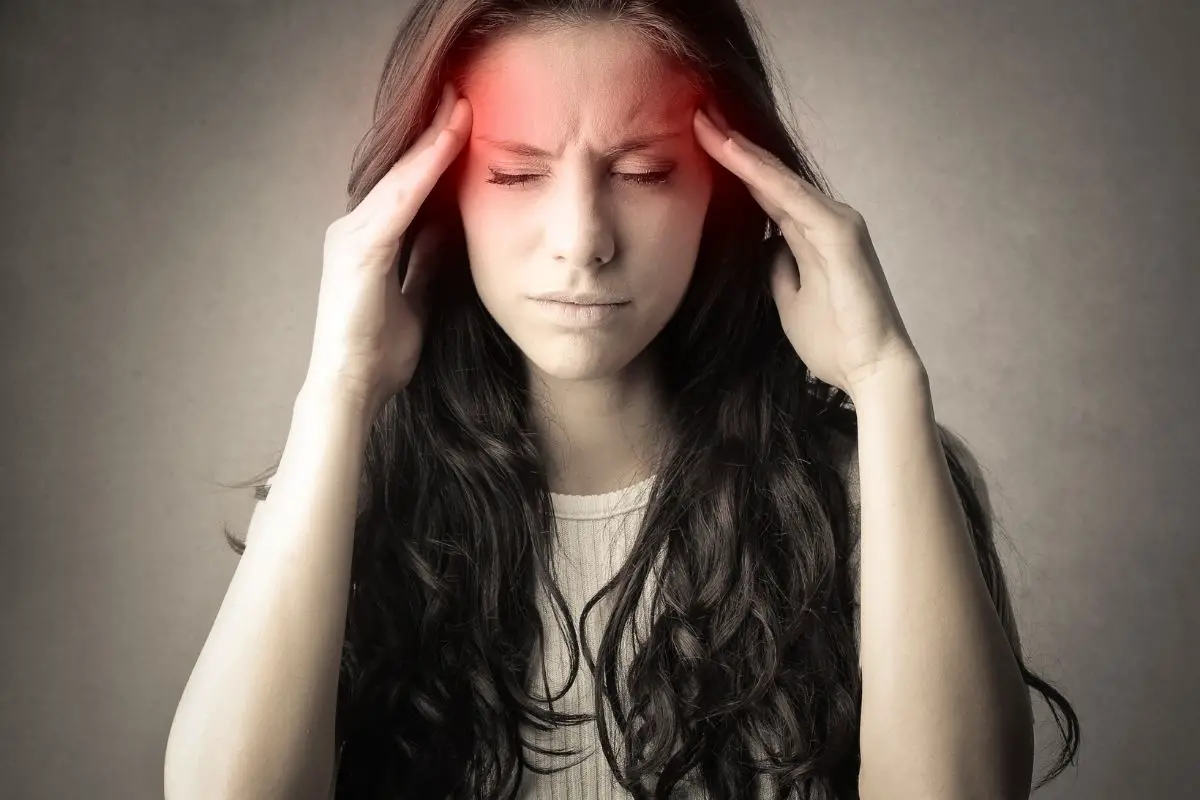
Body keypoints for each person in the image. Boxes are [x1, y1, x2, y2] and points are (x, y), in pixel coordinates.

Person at [165, 1, 1080, 798]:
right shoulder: (349, 498)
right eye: (516, 173)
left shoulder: (859, 485)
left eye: (644, 172)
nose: (583, 240)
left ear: (728, 186)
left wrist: (886, 381)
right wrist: (338, 389)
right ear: (438, 198)